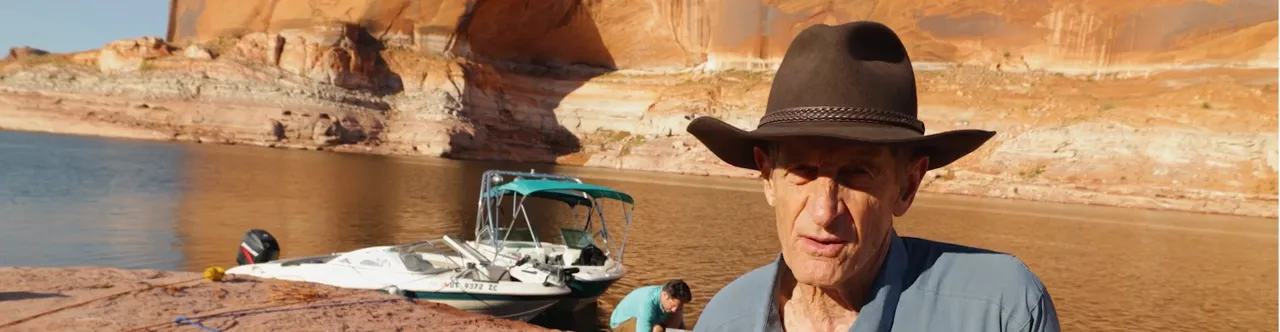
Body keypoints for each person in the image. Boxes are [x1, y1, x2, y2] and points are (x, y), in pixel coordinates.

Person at [685, 21, 1060, 332]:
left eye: (857, 174)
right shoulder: (724, 320)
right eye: (802, 171)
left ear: (907, 186)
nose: (823, 212)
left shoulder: (1000, 310)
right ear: (767, 177)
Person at [610, 279, 693, 332]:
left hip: (652, 319)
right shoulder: (647, 302)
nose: (674, 309)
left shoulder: (674, 301)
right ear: (665, 295)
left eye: (679, 307)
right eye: (673, 306)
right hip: (621, 323)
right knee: (656, 330)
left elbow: (675, 326)